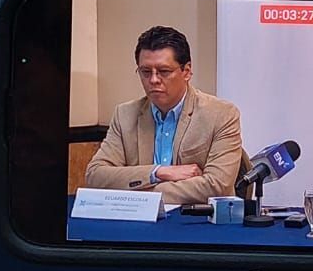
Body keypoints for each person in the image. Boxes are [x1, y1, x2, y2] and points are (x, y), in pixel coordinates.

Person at [84, 25, 244, 205]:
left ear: (186, 72)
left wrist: (135, 193)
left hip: (193, 219)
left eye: (164, 71)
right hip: (139, 218)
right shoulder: (125, 115)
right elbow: (95, 176)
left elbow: (216, 186)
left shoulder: (220, 115)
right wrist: (157, 172)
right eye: (146, 72)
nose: (153, 80)